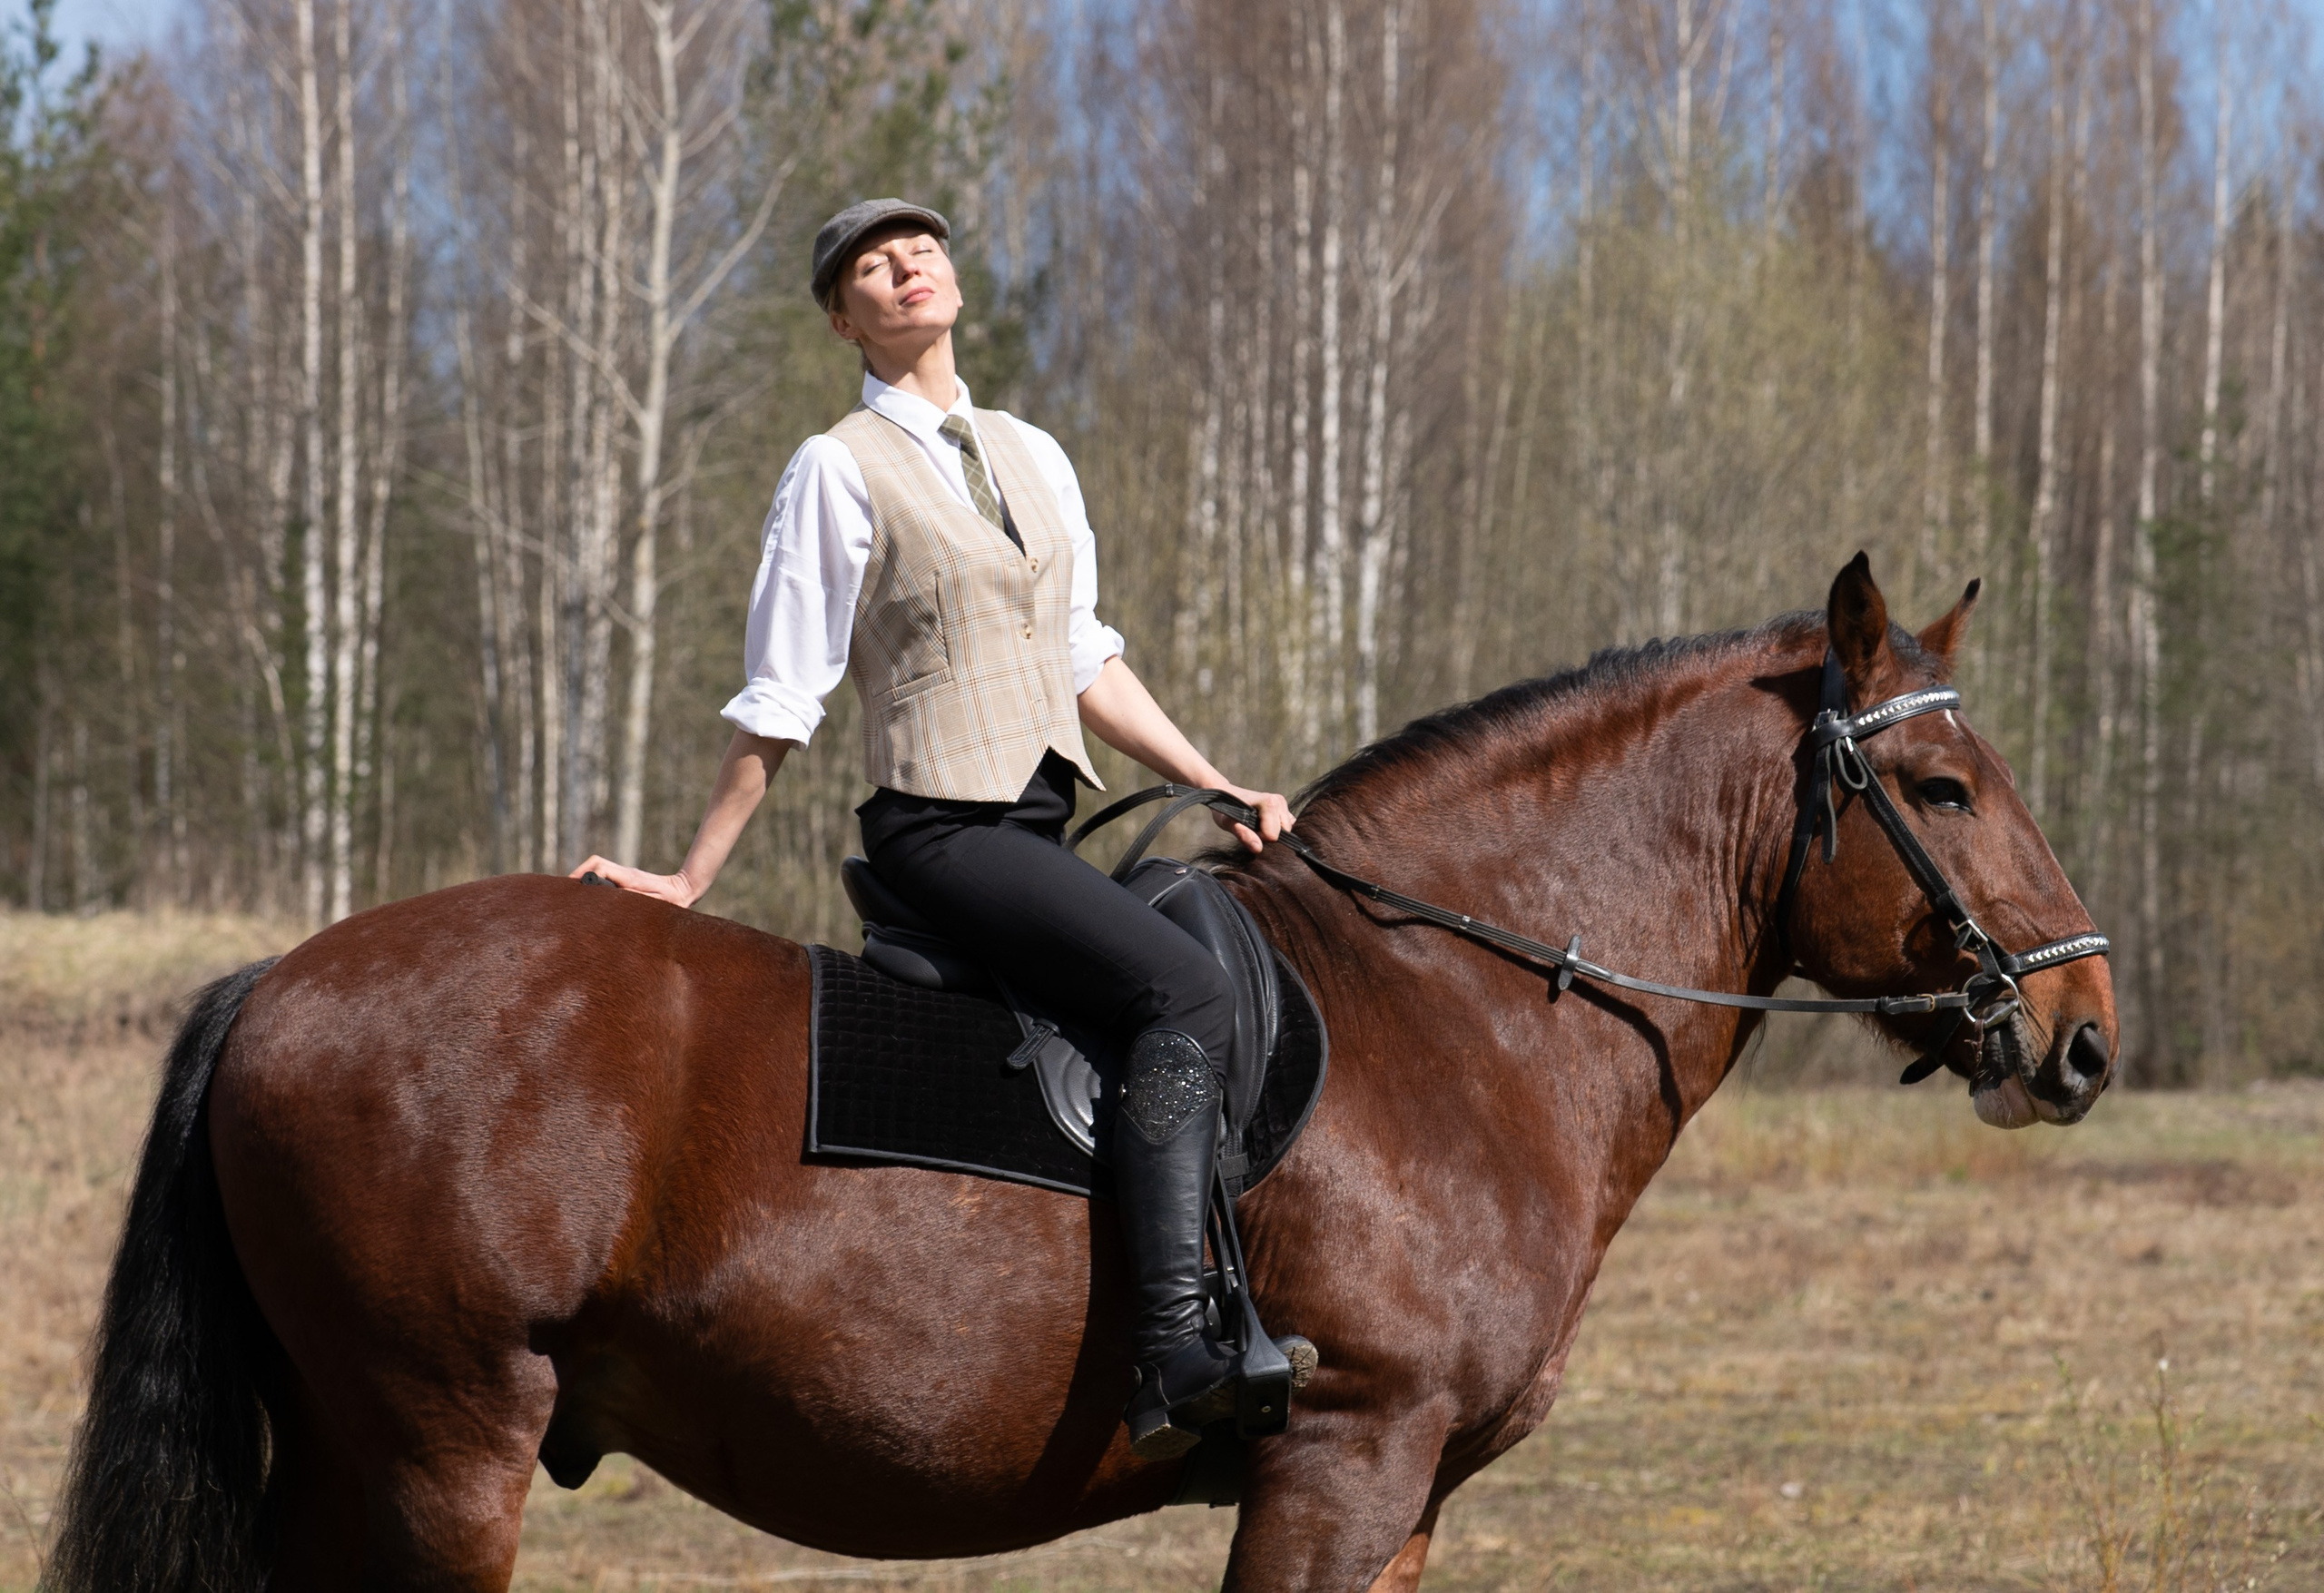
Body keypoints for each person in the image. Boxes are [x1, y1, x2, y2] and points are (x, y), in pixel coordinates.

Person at [571, 198, 1295, 1460]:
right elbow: (784, 694)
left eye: (924, 250)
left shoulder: (1032, 452)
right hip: (942, 833)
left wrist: (1214, 779)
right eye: (872, 265)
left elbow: (1081, 657)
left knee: (1202, 940)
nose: (908, 268)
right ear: (844, 317)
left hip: (1037, 820)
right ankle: (1178, 1344)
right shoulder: (837, 465)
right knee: (1183, 993)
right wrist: (689, 878)